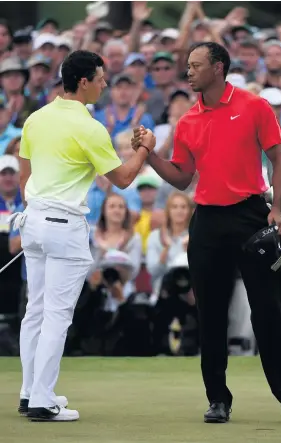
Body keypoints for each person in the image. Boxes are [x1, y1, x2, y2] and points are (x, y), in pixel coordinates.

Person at [131, 42, 281, 425]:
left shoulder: (254, 105)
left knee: (268, 312)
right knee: (210, 314)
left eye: (196, 65)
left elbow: (279, 159)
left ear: (218, 67)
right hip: (207, 220)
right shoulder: (188, 122)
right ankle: (218, 400)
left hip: (250, 216)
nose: (189, 71)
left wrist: (276, 208)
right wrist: (150, 155)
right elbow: (181, 177)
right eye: (188, 65)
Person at [17, 50, 156, 422]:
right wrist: (145, 149)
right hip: (63, 226)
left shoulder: (36, 118)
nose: (105, 84)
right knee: (56, 316)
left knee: (36, 311)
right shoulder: (89, 126)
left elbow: (23, 175)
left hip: (33, 220)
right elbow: (124, 179)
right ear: (83, 82)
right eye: (100, 78)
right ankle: (42, 400)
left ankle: (31, 392)